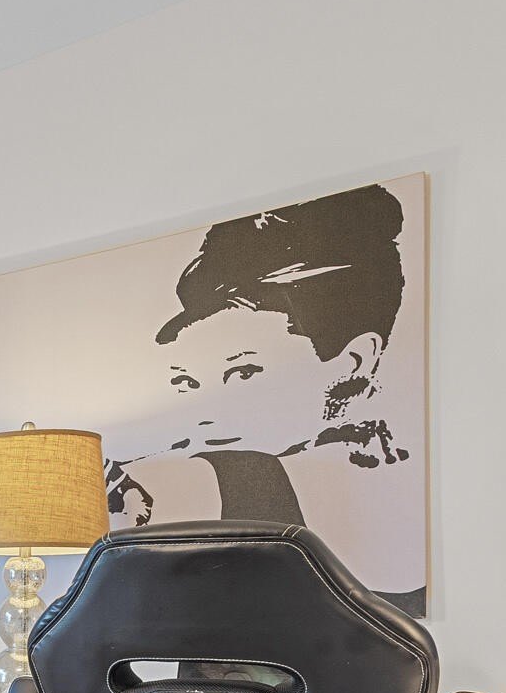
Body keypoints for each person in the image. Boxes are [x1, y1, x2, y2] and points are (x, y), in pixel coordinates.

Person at [107, 184, 424, 609]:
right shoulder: (210, 478)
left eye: (243, 373)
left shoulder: (419, 486)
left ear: (354, 362)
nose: (205, 416)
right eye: (188, 384)